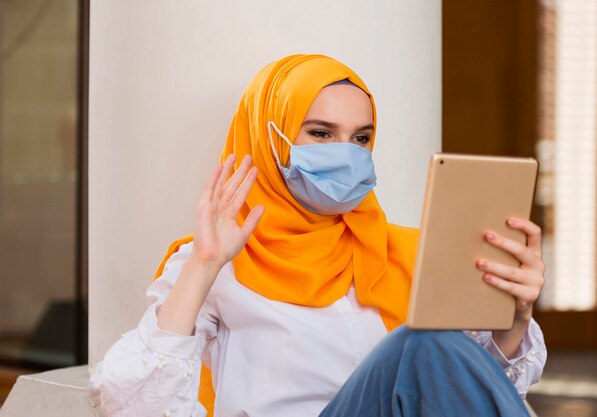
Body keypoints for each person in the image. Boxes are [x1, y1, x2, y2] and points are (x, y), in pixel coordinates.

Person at [88, 54, 547, 417]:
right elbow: (132, 405)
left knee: (430, 346)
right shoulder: (219, 261)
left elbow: (467, 397)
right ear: (269, 139)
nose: (345, 152)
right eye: (322, 133)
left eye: (361, 138)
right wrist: (205, 265)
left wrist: (516, 318)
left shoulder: (407, 252)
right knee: (421, 342)